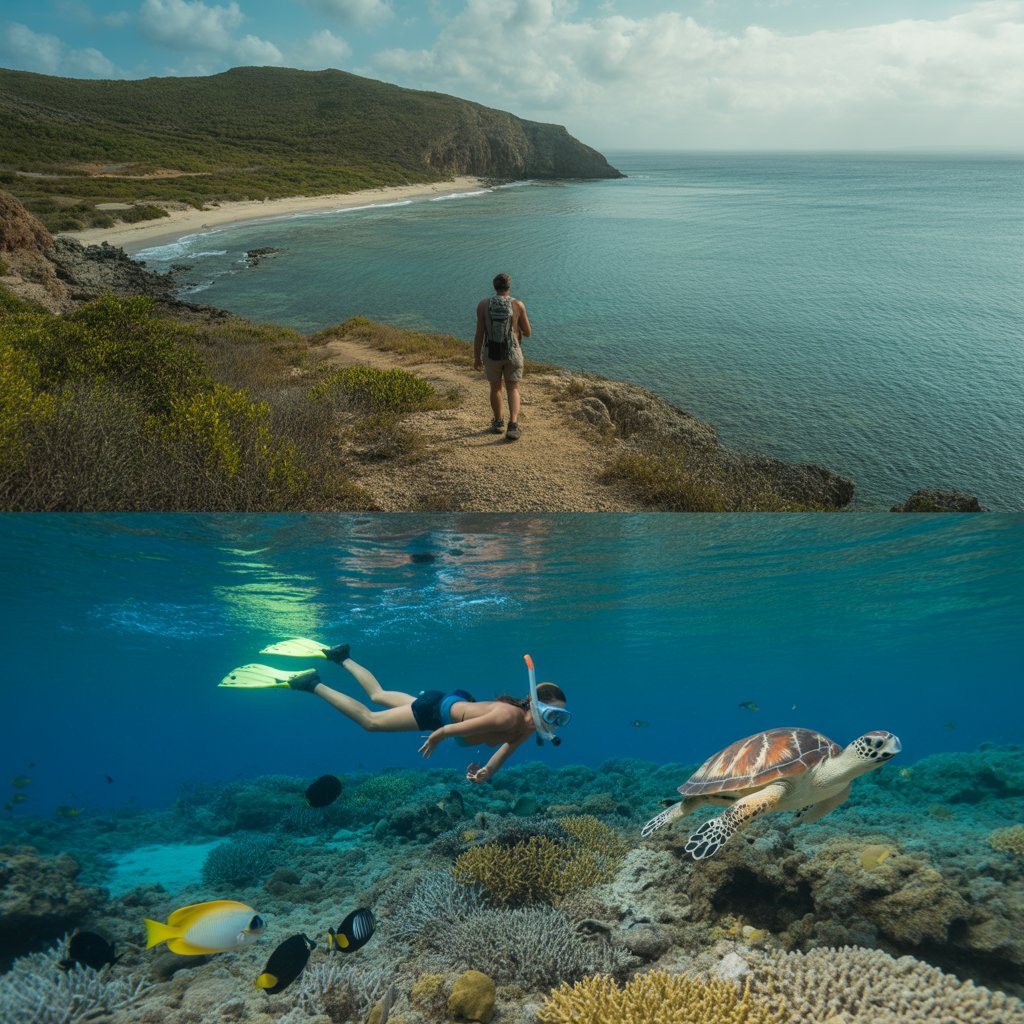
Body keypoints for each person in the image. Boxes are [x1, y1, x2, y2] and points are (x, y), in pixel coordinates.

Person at [225, 643, 569, 783]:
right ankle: (311, 683)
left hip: (443, 701)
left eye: (559, 720)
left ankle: (340, 656)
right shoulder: (510, 717)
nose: (553, 725)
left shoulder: (524, 728)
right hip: (437, 713)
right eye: (554, 716)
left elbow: (504, 752)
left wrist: (486, 772)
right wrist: (435, 736)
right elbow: (451, 731)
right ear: (536, 707)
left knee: (377, 694)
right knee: (370, 722)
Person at [474, 272, 532, 441]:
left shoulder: (483, 305)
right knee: (513, 387)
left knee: (495, 387)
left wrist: (477, 357)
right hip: (513, 353)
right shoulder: (518, 305)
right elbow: (527, 332)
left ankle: (498, 422)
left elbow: (479, 334)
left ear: (494, 287)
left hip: (491, 353)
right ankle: (513, 424)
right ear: (509, 287)